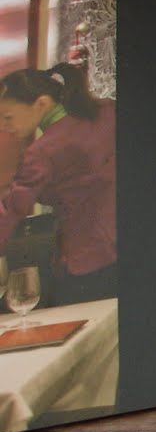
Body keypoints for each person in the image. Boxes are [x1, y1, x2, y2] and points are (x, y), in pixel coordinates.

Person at [0, 62, 117, 305]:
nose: (4, 126)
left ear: (41, 103)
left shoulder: (41, 152)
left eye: (8, 117)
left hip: (89, 256)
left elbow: (11, 211)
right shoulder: (107, 111)